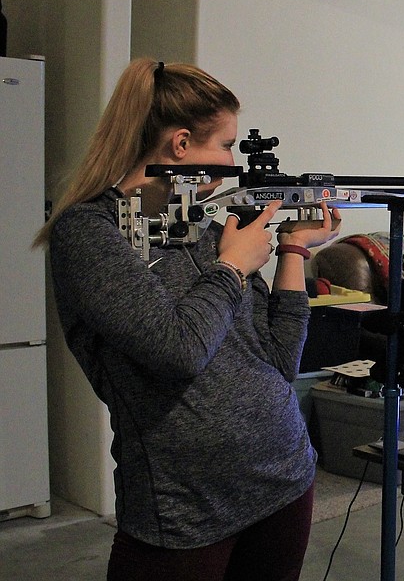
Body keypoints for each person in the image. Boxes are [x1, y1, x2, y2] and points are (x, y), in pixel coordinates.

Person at [33, 58, 341, 581]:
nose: (232, 161)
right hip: (185, 506)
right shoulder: (90, 232)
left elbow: (280, 360)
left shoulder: (201, 226)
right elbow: (178, 350)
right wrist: (232, 266)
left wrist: (291, 251)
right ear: (180, 145)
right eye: (225, 145)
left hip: (284, 476)